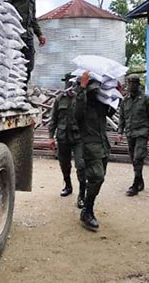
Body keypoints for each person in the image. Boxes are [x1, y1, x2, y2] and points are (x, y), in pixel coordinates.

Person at [75, 71, 115, 229]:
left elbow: (111, 111)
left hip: (103, 146)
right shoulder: (81, 104)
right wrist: (82, 88)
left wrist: (116, 94)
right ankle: (87, 210)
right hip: (91, 148)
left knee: (97, 178)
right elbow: (76, 114)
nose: (95, 91)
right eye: (93, 89)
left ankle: (87, 204)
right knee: (97, 177)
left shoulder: (100, 105)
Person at [1, 0, 46, 85]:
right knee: (12, 64)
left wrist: (39, 34)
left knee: (28, 67)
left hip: (28, 36)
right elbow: (4, 8)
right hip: (14, 35)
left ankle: (21, 95)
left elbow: (33, 17)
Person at [48, 73, 85, 208]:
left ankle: (82, 194)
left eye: (72, 84)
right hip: (63, 137)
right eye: (67, 84)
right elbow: (54, 119)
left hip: (78, 138)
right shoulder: (59, 99)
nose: (69, 87)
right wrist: (50, 137)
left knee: (81, 165)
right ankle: (68, 185)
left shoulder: (81, 99)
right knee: (64, 164)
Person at [117, 74, 149, 196]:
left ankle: (135, 185)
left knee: (138, 157)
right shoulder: (125, 101)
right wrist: (120, 132)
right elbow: (122, 118)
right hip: (130, 133)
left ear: (138, 84)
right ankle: (140, 181)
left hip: (142, 133)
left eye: (133, 83)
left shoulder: (146, 99)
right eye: (129, 83)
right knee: (134, 159)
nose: (131, 85)